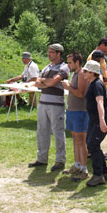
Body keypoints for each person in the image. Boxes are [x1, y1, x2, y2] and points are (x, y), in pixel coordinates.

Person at [29, 44, 69, 172]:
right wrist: (48, 82)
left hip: (56, 104)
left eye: (52, 52)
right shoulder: (47, 67)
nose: (49, 54)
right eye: (48, 52)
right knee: (42, 131)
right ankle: (41, 158)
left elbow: (52, 82)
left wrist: (45, 82)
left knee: (58, 132)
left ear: (58, 54)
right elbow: (36, 82)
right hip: (43, 102)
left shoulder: (64, 67)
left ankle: (60, 160)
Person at [83, 60, 107, 186]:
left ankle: (98, 175)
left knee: (92, 145)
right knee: (92, 144)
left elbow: (100, 103)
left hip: (100, 118)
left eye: (86, 71)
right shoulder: (92, 83)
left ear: (92, 72)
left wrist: (102, 121)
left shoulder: (97, 84)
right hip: (94, 118)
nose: (84, 73)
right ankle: (104, 172)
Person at [61, 52, 89, 181]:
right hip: (72, 110)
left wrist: (68, 87)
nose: (68, 65)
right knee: (75, 138)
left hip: (80, 111)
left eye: (70, 62)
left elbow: (81, 93)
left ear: (77, 62)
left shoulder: (82, 74)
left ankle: (84, 168)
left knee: (81, 140)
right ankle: (77, 164)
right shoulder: (75, 73)